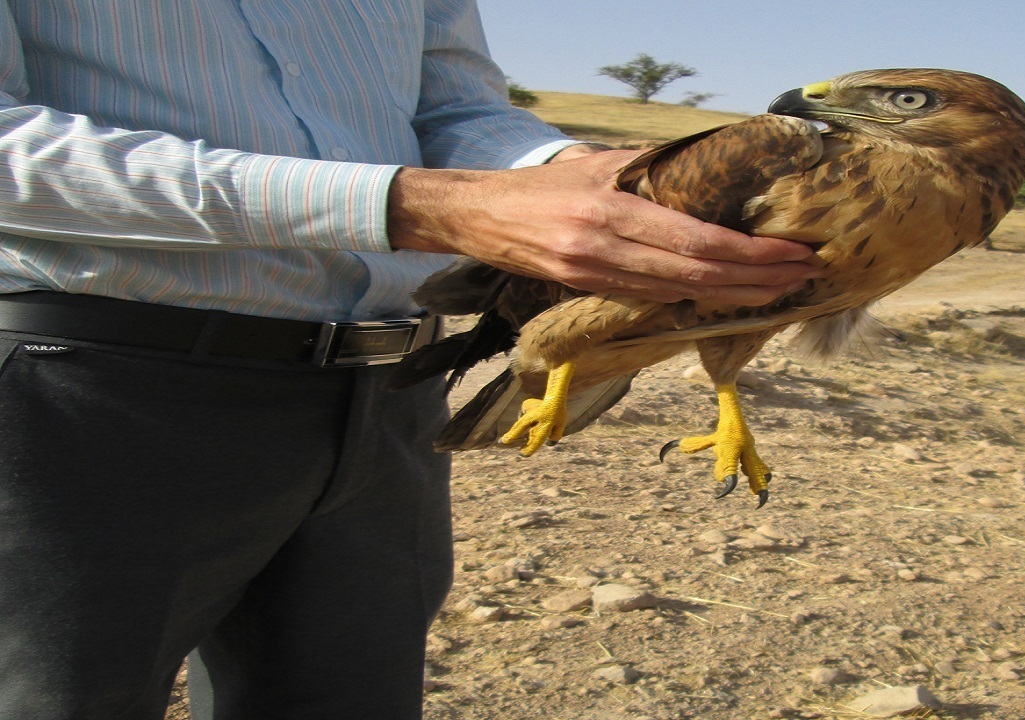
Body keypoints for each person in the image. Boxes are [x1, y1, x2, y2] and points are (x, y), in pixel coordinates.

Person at [0, 2, 819, 719]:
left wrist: (582, 174)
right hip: (88, 384)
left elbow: (456, 107)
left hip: (387, 391)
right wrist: (413, 206)